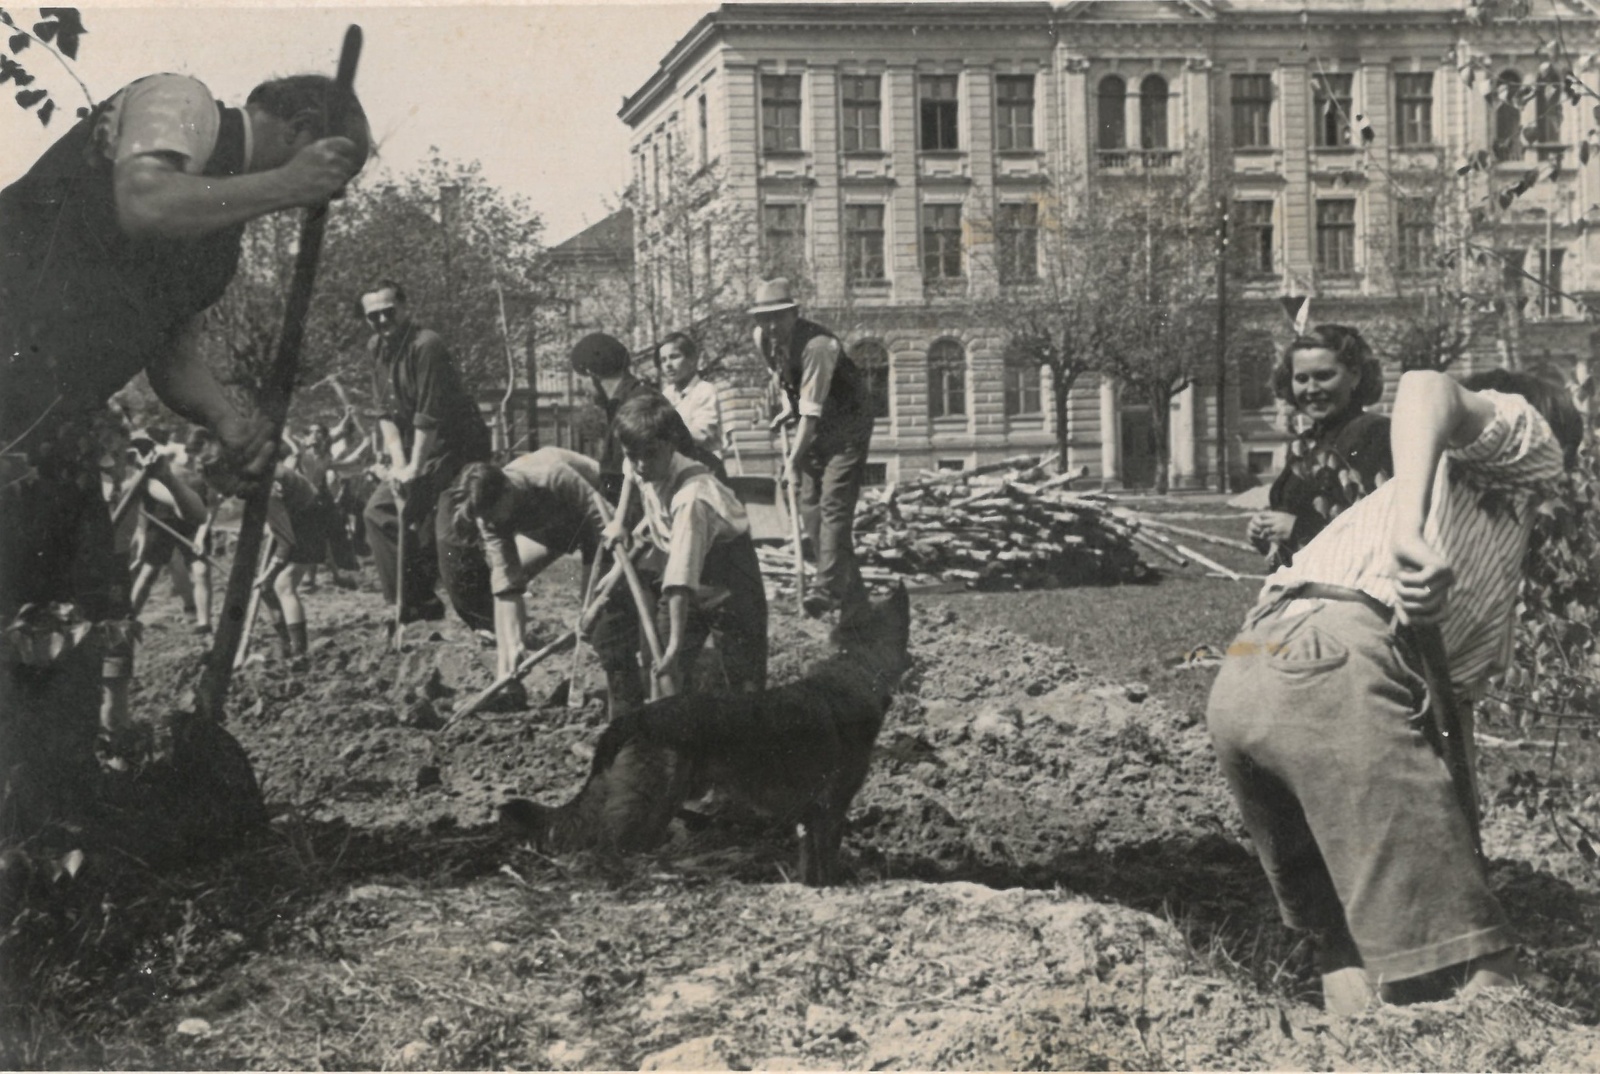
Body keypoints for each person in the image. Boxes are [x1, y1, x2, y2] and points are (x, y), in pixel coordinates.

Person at [0, 70, 368, 826]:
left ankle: (48, 836)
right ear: (299, 127)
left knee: (70, 618)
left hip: (51, 424)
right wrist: (287, 183)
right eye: (328, 176)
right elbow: (143, 201)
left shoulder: (216, 243)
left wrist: (230, 423)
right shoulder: (182, 103)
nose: (317, 200)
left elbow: (170, 355)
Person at [1206, 367, 1584, 1016]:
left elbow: (1445, 728)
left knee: (1350, 947)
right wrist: (1414, 529)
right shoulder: (1526, 452)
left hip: (1247, 670)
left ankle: (1360, 1046)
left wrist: (1459, 846)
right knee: (1481, 967)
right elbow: (1425, 385)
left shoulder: (1448, 540)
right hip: (1337, 665)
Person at [610, 393, 768, 698]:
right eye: (632, 455)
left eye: (650, 454)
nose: (641, 465)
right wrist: (619, 521)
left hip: (730, 579)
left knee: (743, 679)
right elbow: (632, 475)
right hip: (685, 570)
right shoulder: (644, 462)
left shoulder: (692, 497)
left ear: (670, 444)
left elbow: (680, 581)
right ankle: (665, 739)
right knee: (663, 671)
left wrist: (673, 647)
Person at [360, 280, 493, 627]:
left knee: (448, 532)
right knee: (380, 513)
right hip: (418, 449)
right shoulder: (376, 348)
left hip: (459, 449)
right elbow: (385, 414)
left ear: (405, 309)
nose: (382, 322)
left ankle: (484, 621)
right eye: (373, 316)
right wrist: (400, 468)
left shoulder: (427, 345)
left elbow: (429, 417)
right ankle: (417, 605)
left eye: (389, 313)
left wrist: (415, 469)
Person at [448, 450, 620, 712]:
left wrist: (611, 575)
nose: (491, 524)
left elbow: (608, 524)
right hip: (554, 524)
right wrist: (516, 642)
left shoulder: (551, 475)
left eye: (494, 516)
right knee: (502, 585)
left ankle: (608, 677)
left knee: (594, 609)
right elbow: (507, 585)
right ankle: (507, 681)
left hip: (599, 509)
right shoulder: (489, 515)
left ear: (507, 490)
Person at [749, 277, 874, 619]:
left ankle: (827, 590)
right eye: (764, 318)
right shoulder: (763, 338)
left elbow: (812, 414)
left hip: (847, 428)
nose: (771, 326)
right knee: (810, 510)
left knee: (834, 504)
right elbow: (785, 379)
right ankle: (855, 602)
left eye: (779, 317)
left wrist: (791, 461)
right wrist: (787, 407)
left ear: (794, 314)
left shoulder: (818, 345)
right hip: (814, 425)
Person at [1249, 325, 1392, 569]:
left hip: (1351, 593)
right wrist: (1264, 531)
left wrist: (1297, 528)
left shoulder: (1374, 434)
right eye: (1301, 379)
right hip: (1297, 588)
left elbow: (1383, 533)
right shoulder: (1303, 446)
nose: (1312, 389)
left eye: (1324, 376)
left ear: (1355, 376)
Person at [127, 434, 215, 634]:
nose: (194, 459)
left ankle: (204, 623)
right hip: (162, 521)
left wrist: (201, 536)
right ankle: (129, 618)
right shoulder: (152, 470)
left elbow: (210, 507)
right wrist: (142, 540)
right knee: (149, 571)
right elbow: (141, 508)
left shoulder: (203, 471)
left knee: (201, 570)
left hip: (192, 523)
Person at [258, 463, 329, 669]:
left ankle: (299, 652)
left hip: (311, 519)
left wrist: (269, 571)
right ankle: (286, 641)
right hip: (293, 517)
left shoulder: (267, 485)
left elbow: (286, 542)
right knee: (266, 588)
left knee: (283, 584)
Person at [659, 332, 724, 460]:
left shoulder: (704, 390)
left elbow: (702, 434)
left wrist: (662, 433)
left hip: (704, 464)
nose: (668, 365)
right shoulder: (665, 395)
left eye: (674, 357)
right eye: (663, 360)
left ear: (692, 360)